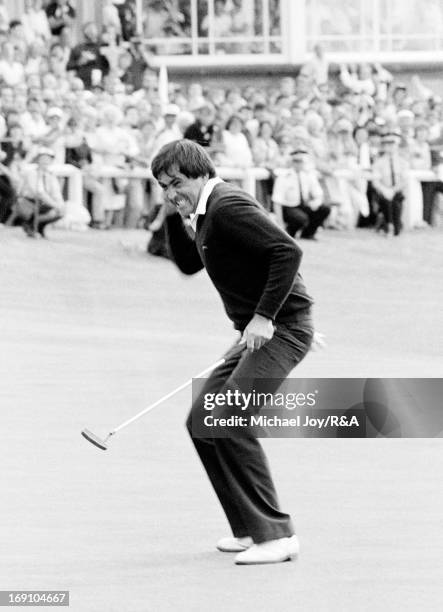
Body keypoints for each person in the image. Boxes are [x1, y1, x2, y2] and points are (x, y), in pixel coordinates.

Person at [151, 139, 314, 565]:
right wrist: (173, 213)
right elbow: (189, 265)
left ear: (200, 172)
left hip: (279, 330)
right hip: (259, 330)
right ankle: (247, 527)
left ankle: (278, 535)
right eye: (164, 187)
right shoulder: (203, 212)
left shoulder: (227, 205)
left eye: (177, 183)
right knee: (203, 420)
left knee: (231, 416)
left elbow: (287, 250)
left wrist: (266, 316)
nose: (171, 192)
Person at [272, 148, 329, 239]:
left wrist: (316, 202)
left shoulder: (308, 175)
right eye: (296, 161)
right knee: (300, 218)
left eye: (301, 161)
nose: (298, 164)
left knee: (324, 209)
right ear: (291, 162)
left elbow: (318, 194)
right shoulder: (284, 176)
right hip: (289, 207)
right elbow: (277, 202)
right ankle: (290, 232)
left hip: (304, 205)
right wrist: (280, 224)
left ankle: (308, 233)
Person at [18, 146, 64, 237]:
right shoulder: (32, 173)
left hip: (44, 203)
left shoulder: (50, 175)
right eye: (43, 158)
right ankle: (30, 225)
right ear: (38, 160)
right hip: (30, 202)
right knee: (51, 210)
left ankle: (40, 227)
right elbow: (39, 193)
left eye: (48, 159)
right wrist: (55, 205)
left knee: (59, 212)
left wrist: (60, 205)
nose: (45, 161)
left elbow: (56, 193)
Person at [372, 132, 408, 236]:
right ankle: (389, 224)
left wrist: (393, 190)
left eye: (392, 144)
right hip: (383, 192)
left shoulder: (402, 162)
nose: (390, 147)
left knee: (395, 205)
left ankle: (392, 224)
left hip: (397, 192)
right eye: (387, 145)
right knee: (385, 201)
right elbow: (376, 181)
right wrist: (385, 190)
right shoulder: (378, 162)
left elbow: (404, 181)